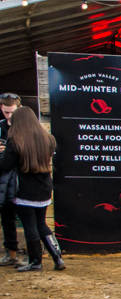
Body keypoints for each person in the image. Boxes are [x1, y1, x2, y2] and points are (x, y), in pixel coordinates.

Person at [0, 107, 61, 271]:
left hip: (25, 190)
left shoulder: (16, 140)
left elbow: (5, 165)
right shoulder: (48, 139)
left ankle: (36, 261)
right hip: (45, 187)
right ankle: (57, 257)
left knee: (30, 226)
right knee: (42, 224)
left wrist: (3, 153)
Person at [0, 93, 18, 266]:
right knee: (7, 218)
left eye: (12, 112)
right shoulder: (0, 127)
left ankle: (36, 252)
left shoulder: (26, 128)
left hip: (24, 179)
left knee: (31, 219)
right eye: (6, 112)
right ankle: (11, 254)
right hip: (5, 180)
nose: (9, 116)